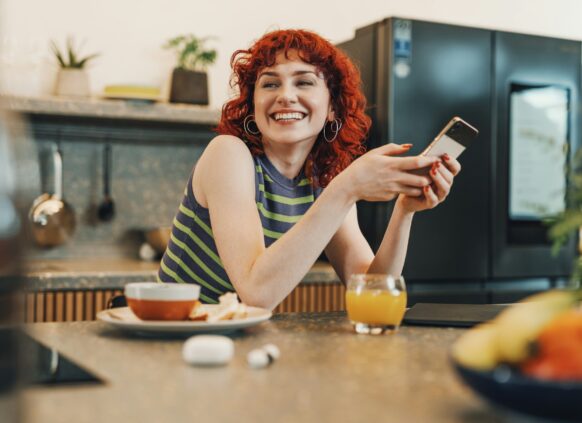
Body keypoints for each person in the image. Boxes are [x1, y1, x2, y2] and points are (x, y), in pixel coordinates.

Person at [158, 29, 461, 309]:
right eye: (270, 83)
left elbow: (374, 294)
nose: (285, 95)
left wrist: (404, 211)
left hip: (232, 342)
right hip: (170, 339)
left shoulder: (324, 181)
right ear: (252, 105)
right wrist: (347, 188)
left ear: (332, 108)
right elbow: (257, 294)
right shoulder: (228, 154)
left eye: (304, 82)